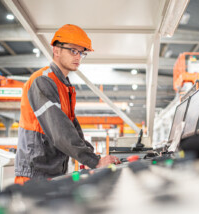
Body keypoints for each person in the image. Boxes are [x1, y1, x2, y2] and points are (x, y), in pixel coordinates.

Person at [14, 24, 121, 185]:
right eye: (73, 51)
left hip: (53, 172)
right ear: (56, 50)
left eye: (81, 53)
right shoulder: (43, 81)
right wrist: (95, 161)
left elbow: (72, 129)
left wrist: (95, 158)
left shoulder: (65, 86)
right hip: (35, 174)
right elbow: (59, 130)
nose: (78, 57)